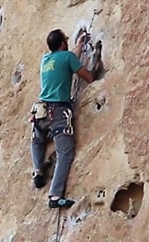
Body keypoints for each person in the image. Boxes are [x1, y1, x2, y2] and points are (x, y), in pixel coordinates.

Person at [31, 29, 97, 209]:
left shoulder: (46, 60)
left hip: (41, 111)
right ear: (62, 43)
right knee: (65, 154)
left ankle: (38, 170)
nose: (67, 40)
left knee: (38, 140)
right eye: (66, 39)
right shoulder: (68, 57)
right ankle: (54, 196)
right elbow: (88, 77)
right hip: (58, 112)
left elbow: (67, 59)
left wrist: (79, 45)